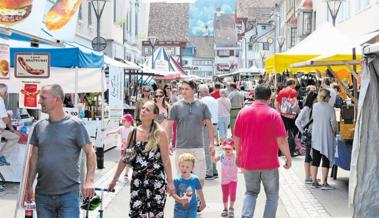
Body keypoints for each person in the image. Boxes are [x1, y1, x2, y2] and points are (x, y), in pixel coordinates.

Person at [24, 84, 96, 218]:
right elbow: (33, 158)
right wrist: (28, 186)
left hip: (68, 195)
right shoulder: (39, 127)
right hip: (43, 195)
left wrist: (90, 180)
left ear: (57, 99)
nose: (39, 101)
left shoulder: (76, 125)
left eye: (43, 98)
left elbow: (90, 152)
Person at [234, 85, 292, 218]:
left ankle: (246, 216)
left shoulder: (243, 112)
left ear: (254, 95)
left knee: (250, 192)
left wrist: (239, 155)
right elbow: (282, 140)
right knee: (272, 195)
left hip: (249, 160)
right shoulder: (273, 114)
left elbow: (236, 137)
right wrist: (288, 157)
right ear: (269, 97)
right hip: (269, 163)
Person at [108, 101, 174, 217]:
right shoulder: (133, 132)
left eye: (147, 109)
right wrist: (114, 179)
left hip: (156, 182)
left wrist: (170, 182)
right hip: (138, 181)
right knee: (136, 214)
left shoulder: (160, 133)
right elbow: (125, 158)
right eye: (142, 108)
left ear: (154, 116)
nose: (143, 111)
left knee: (155, 214)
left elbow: (166, 160)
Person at [167, 80, 215, 186]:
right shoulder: (175, 107)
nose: (183, 91)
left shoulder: (202, 106)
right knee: (181, 179)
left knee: (200, 178)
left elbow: (210, 126)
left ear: (194, 90)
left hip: (198, 147)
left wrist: (212, 143)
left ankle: (197, 200)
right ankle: (182, 201)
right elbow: (169, 126)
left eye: (186, 89)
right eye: (182, 89)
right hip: (181, 147)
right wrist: (169, 142)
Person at [310, 89, 337, 190]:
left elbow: (314, 118)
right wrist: (334, 132)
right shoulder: (330, 108)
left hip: (316, 135)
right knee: (326, 159)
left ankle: (314, 182)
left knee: (315, 160)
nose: (330, 98)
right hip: (327, 136)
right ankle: (324, 183)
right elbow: (334, 124)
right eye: (329, 96)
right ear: (326, 97)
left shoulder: (315, 106)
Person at [172, 153, 206, 218]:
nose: (184, 168)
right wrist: (180, 200)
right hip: (179, 209)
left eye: (187, 167)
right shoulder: (176, 180)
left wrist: (203, 202)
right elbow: (173, 193)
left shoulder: (195, 179)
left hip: (192, 208)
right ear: (179, 166)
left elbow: (199, 191)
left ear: (192, 168)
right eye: (182, 166)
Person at [295, 91, 318, 184]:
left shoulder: (313, 108)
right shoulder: (306, 109)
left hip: (314, 134)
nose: (317, 101)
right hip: (309, 135)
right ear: (313, 99)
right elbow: (297, 121)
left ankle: (311, 176)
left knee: (311, 155)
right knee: (308, 155)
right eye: (316, 99)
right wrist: (303, 131)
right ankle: (307, 176)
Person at [213, 138, 238, 218]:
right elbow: (214, 160)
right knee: (225, 195)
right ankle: (225, 209)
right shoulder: (222, 156)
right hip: (224, 180)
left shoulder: (235, 156)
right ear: (223, 148)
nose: (227, 150)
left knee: (233, 193)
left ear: (232, 148)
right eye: (226, 148)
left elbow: (241, 162)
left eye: (229, 148)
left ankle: (231, 208)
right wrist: (212, 154)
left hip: (233, 179)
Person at [198, 84, 219, 180]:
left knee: (207, 150)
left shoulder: (201, 101)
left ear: (202, 92)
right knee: (212, 148)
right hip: (215, 125)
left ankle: (209, 172)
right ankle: (214, 170)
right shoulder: (214, 100)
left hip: (206, 126)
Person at [275, 78, 300, 156]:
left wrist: (279, 112)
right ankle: (291, 151)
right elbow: (296, 104)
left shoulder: (281, 91)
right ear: (292, 84)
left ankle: (279, 151)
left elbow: (276, 103)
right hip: (292, 116)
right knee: (291, 133)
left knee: (282, 133)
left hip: (283, 115)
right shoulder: (293, 91)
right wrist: (298, 112)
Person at [107, 114, 134, 181]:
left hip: (130, 148)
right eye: (122, 121)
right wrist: (109, 133)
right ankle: (118, 175)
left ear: (129, 121)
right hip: (123, 148)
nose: (123, 122)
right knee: (122, 161)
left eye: (124, 121)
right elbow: (115, 131)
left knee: (127, 162)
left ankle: (126, 174)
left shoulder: (133, 129)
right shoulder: (121, 128)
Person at [0, 83, 20, 166]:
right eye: (6, 92)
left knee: (15, 137)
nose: (6, 94)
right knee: (15, 135)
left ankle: (2, 157)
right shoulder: (0, 100)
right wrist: (12, 129)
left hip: (2, 130)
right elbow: (5, 118)